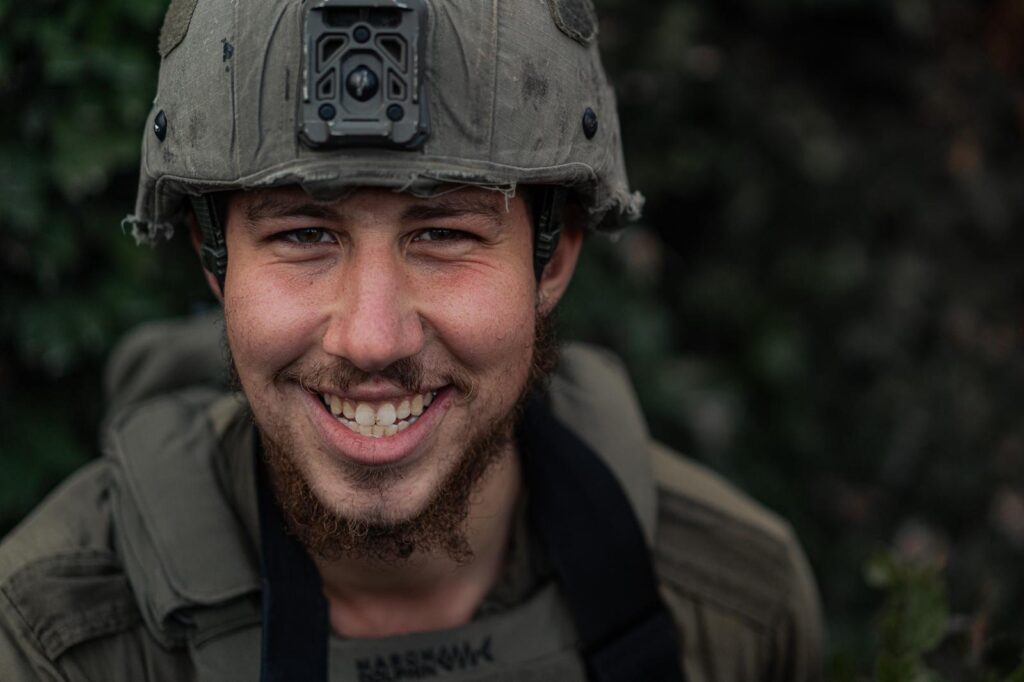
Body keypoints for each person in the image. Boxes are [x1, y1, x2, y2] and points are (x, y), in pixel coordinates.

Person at [0, 0, 823, 680]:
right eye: (302, 236)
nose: (371, 339)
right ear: (215, 264)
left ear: (553, 258)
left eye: (443, 234)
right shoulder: (51, 639)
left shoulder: (735, 606)